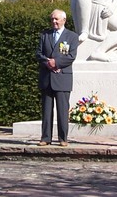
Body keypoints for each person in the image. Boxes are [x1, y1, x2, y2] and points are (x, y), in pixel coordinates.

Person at [36, 9, 79, 147]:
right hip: (47, 78)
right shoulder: (45, 35)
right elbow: (38, 53)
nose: (54, 21)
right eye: (52, 19)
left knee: (62, 110)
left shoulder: (72, 36)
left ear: (64, 20)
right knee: (46, 110)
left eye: (56, 19)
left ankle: (63, 138)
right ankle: (45, 138)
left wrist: (57, 63)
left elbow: (71, 56)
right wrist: (48, 63)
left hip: (62, 78)